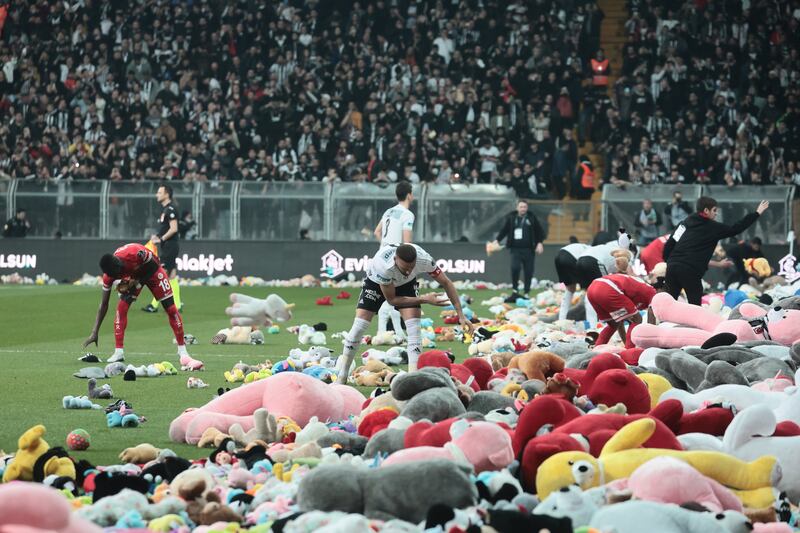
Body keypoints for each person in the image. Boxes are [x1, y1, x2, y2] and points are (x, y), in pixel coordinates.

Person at [336, 243, 473, 383]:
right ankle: (343, 375)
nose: (408, 271)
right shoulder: (383, 266)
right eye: (404, 268)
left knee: (414, 329)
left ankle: (412, 381)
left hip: (406, 285)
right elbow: (393, 300)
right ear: (395, 259)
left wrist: (461, 315)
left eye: (411, 267)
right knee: (359, 326)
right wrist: (424, 299)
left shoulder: (424, 259)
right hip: (376, 283)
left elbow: (446, 283)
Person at [82, 242, 203, 369]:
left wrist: (137, 284)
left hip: (153, 271)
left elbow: (153, 266)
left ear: (119, 266)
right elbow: (104, 304)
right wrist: (94, 332)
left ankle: (182, 351)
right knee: (121, 308)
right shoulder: (109, 276)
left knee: (171, 309)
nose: (116, 278)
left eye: (118, 275)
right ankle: (118, 352)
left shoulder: (134, 253)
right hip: (134, 277)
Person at [663, 197, 769, 305]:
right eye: (714, 210)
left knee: (668, 303)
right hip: (690, 271)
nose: (716, 214)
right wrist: (757, 213)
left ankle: (660, 321)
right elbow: (736, 228)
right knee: (694, 307)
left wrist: (668, 261)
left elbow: (671, 242)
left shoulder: (684, 223)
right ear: (706, 211)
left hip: (672, 267)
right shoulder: (713, 227)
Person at [372, 181, 415, 339]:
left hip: (381, 256)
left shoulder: (388, 211)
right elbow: (407, 243)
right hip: (395, 259)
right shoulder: (407, 214)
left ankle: (394, 333)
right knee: (393, 297)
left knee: (389, 296)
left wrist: (385, 246)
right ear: (409, 195)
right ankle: (389, 332)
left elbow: (377, 232)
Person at [576, 234, 636, 325]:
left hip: (579, 261)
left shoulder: (611, 248)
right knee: (603, 292)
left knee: (590, 293)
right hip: (594, 261)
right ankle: (603, 323)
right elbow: (630, 275)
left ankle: (593, 324)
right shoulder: (627, 253)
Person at [491, 200, 545, 298]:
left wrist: (539, 243)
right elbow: (505, 230)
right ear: (517, 208)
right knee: (515, 268)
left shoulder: (531, 218)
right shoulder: (512, 218)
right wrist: (497, 240)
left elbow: (539, 231)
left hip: (529, 249)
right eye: (521, 207)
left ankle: (526, 292)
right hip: (515, 249)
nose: (523, 209)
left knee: (529, 271)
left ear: (527, 208)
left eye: (524, 207)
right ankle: (515, 289)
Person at [587, 272, 657, 347]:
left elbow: (619, 322)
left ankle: (595, 352)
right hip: (607, 288)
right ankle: (629, 351)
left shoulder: (641, 289)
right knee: (637, 318)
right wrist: (650, 346)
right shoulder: (653, 293)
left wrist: (625, 345)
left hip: (592, 289)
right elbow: (651, 324)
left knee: (614, 324)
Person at [143, 185, 183, 312]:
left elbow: (174, 229)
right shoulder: (166, 209)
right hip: (169, 245)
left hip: (170, 246)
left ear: (167, 194)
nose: (157, 194)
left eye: (159, 192)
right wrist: (158, 236)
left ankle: (154, 305)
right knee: (171, 276)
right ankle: (177, 305)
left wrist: (161, 239)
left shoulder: (171, 209)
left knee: (161, 275)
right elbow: (167, 228)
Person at [555, 240, 590, 320]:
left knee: (570, 289)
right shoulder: (593, 252)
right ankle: (590, 321)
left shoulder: (585, 247)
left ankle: (562, 319)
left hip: (559, 255)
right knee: (589, 290)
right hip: (572, 257)